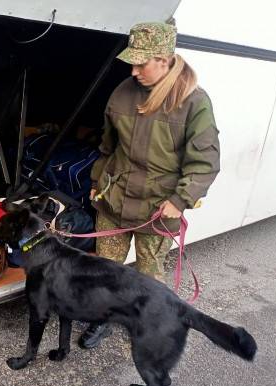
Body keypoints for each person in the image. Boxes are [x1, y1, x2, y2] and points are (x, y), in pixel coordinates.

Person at [78, 21, 221, 349]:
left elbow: (205, 163)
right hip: (114, 202)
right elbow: (107, 146)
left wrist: (181, 199)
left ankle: (146, 328)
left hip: (157, 209)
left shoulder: (193, 102)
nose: (133, 70)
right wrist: (97, 181)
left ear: (165, 59)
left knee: (148, 278)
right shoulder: (121, 93)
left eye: (141, 63)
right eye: (132, 61)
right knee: (105, 272)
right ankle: (102, 321)